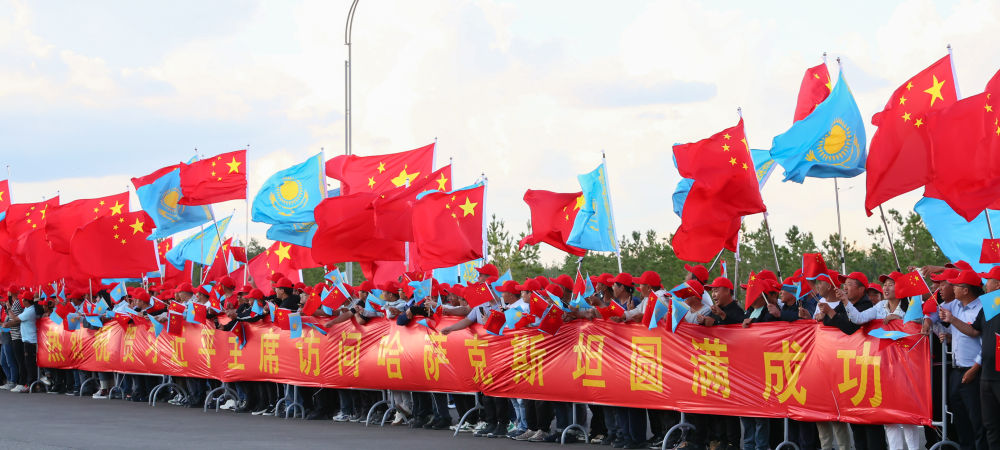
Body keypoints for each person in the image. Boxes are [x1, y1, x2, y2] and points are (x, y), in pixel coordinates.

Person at [932, 269, 986, 450]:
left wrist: (975, 369)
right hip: (956, 370)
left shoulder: (983, 308)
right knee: (960, 420)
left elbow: (984, 340)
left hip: (975, 371)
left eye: (956, 286)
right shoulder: (954, 305)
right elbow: (932, 312)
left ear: (966, 290)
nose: (952, 288)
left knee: (977, 420)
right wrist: (948, 335)